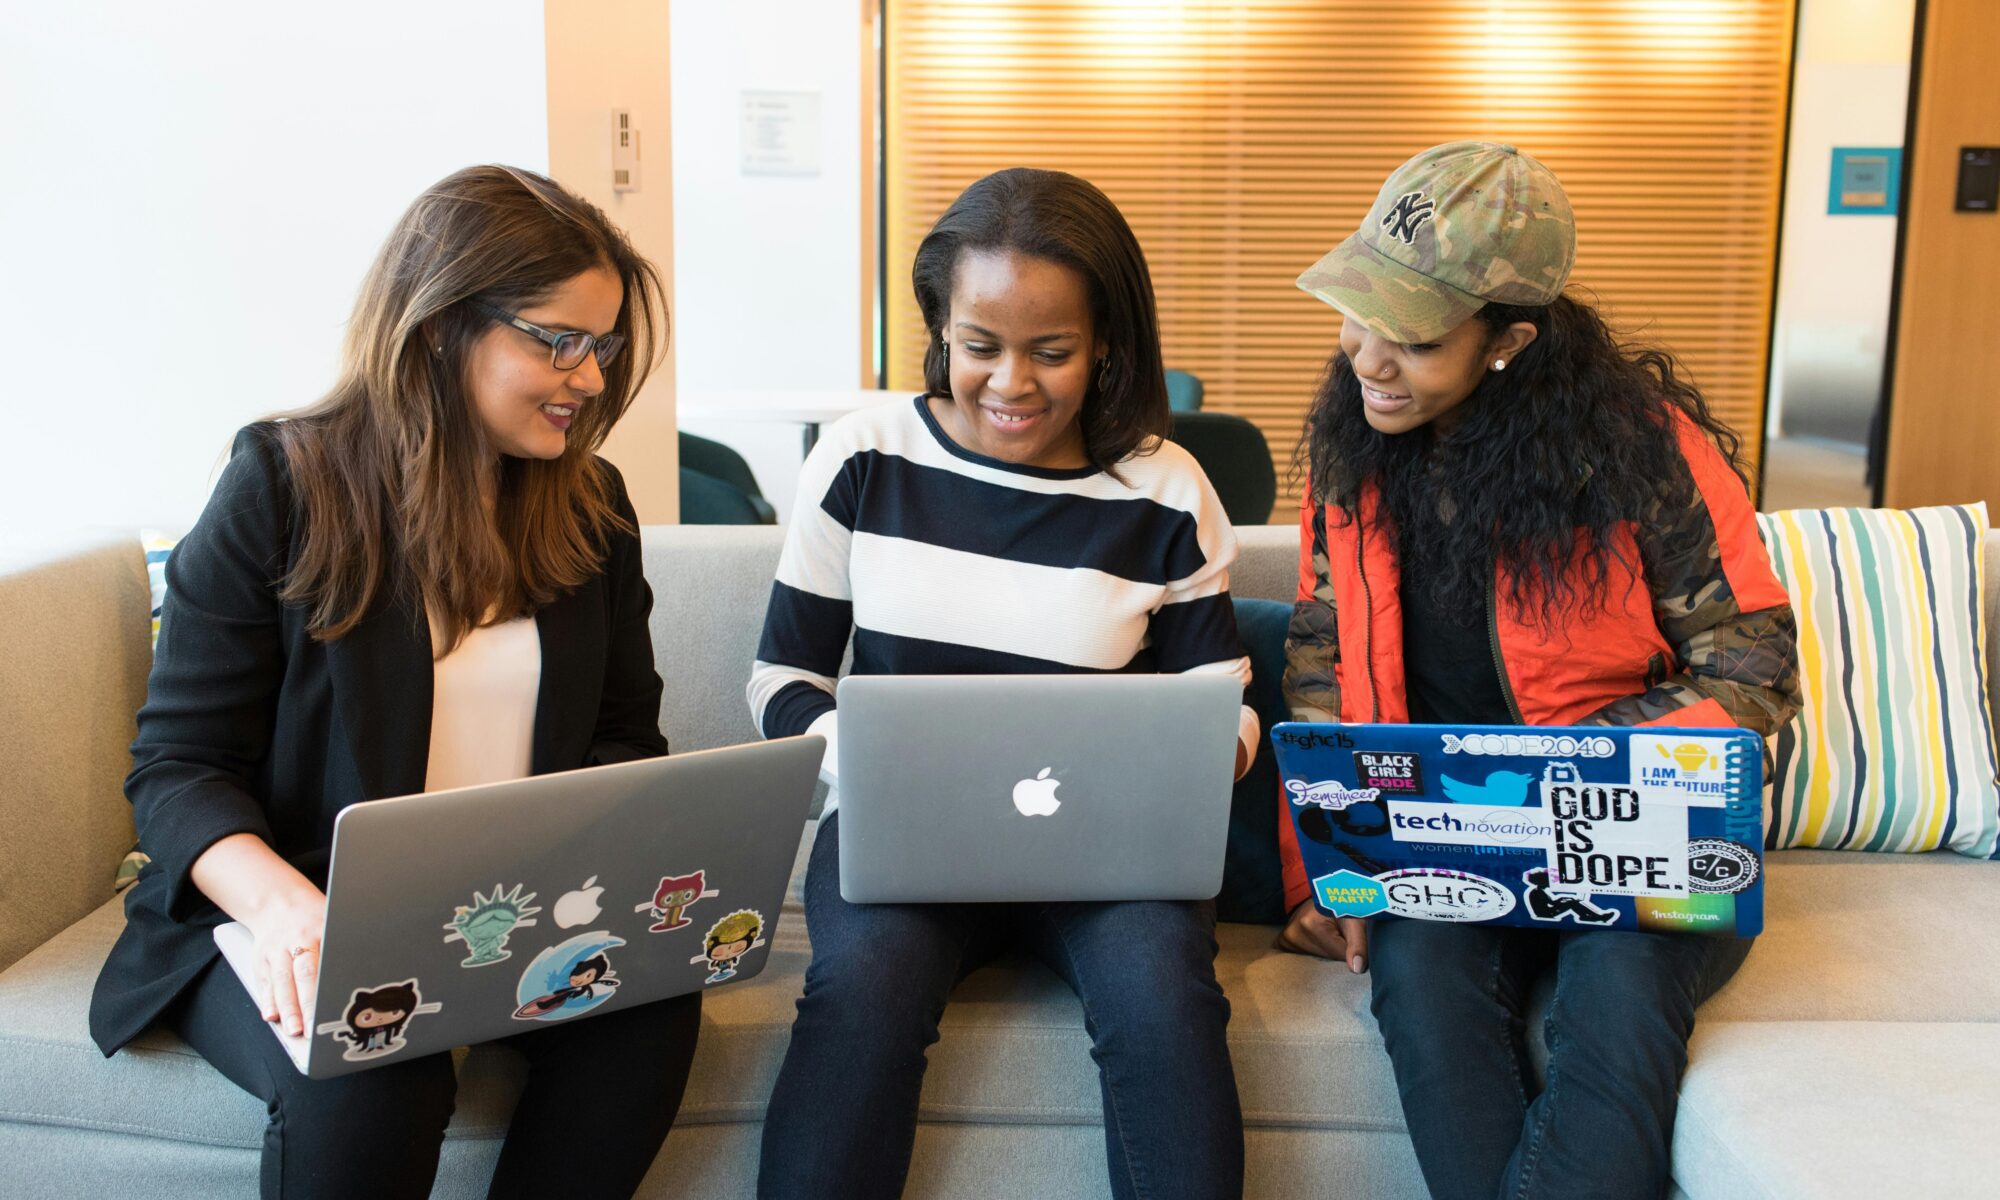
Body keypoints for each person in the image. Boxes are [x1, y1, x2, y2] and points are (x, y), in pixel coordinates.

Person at [88, 165, 700, 1200]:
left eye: (601, 345)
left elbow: (622, 742)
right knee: (378, 1062)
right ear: (438, 329)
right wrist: (288, 912)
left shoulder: (590, 508)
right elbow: (179, 767)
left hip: (508, 913)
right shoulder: (281, 483)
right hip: (283, 912)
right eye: (557, 340)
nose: (590, 377)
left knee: (647, 1017)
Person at [1275, 142, 1802, 1200]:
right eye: (1356, 313)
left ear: (1508, 340)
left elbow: (1751, 670)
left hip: (1638, 834)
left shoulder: (1640, 455)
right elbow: (1319, 661)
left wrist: (1554, 770)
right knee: (1418, 983)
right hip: (1441, 839)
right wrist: (1320, 875)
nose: (1365, 357)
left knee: (1615, 999)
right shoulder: (1351, 452)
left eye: (1411, 338)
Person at [748, 167, 1256, 1200]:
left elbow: (1229, 702)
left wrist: (1201, 756)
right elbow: (781, 679)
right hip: (902, 839)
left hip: (1108, 851)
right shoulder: (862, 458)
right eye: (978, 346)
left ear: (1106, 340)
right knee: (863, 988)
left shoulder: (1163, 488)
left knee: (1163, 994)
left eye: (1051, 352)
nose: (1010, 383)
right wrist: (873, 757)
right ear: (938, 327)